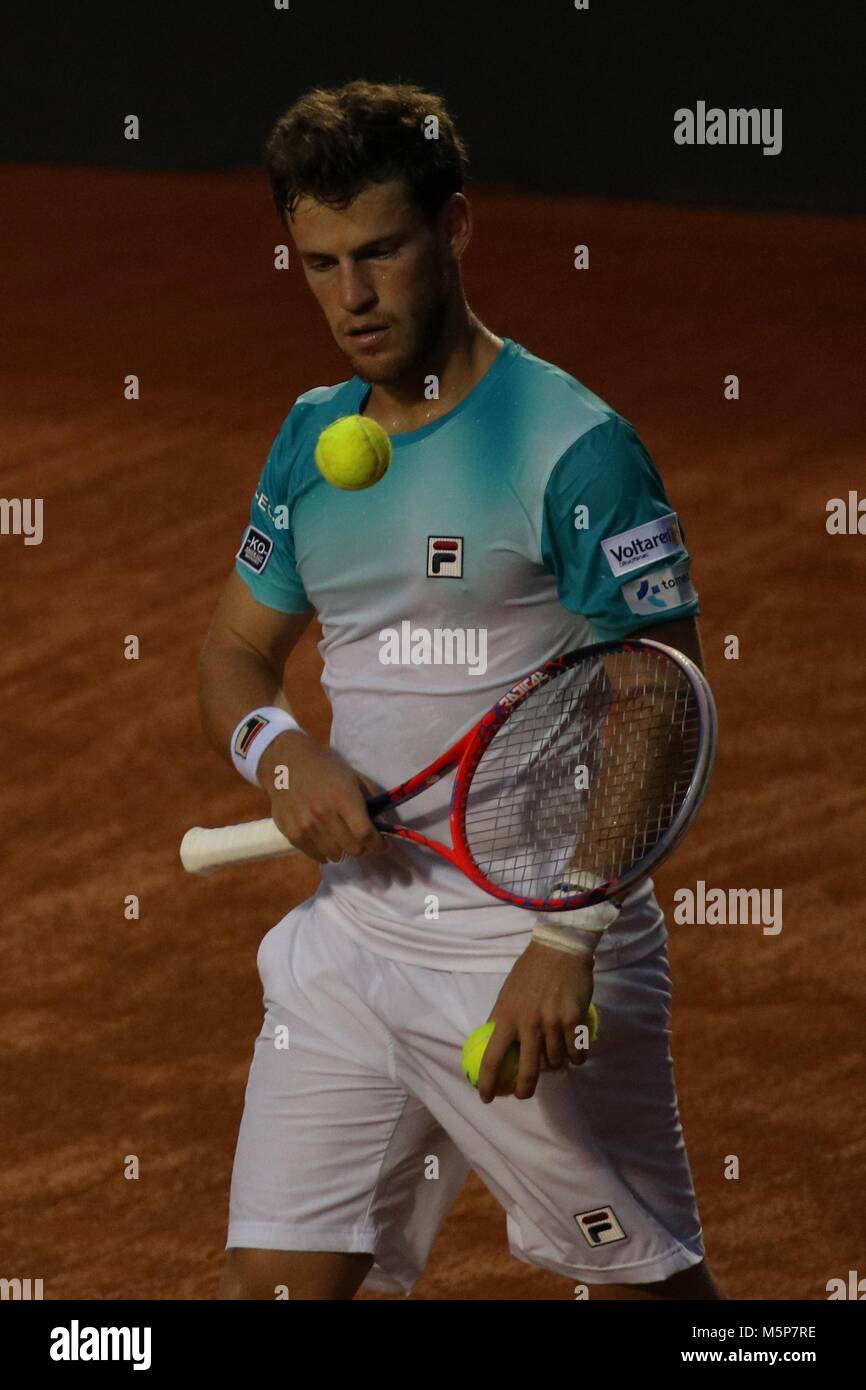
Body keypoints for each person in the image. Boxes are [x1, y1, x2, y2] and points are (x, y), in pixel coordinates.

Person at [199, 79, 726, 1301]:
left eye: (379, 251)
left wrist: (568, 932)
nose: (353, 298)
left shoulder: (572, 446)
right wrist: (279, 755)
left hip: (526, 953)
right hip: (351, 944)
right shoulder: (310, 441)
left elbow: (659, 692)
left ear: (455, 228)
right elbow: (232, 650)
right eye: (319, 263)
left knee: (653, 1298)